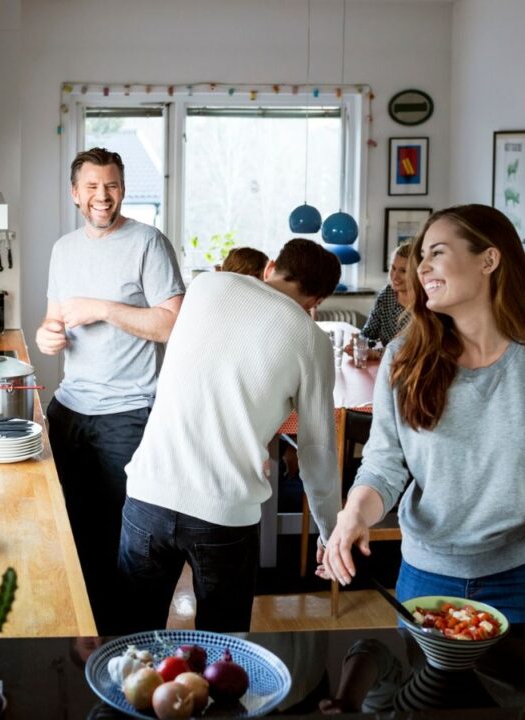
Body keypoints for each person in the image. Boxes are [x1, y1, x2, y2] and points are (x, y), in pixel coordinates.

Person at [318, 204, 525, 625]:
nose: (421, 268)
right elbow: (383, 467)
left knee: (518, 693)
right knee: (424, 692)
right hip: (427, 577)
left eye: (437, 253)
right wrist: (353, 515)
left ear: (489, 259)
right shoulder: (403, 358)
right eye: (421, 258)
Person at [118, 238, 343, 632]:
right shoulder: (312, 339)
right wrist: (329, 529)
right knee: (223, 649)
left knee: (131, 637)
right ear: (317, 299)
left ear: (271, 266)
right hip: (224, 512)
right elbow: (316, 451)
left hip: (148, 493)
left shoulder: (206, 285)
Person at [36, 147, 185, 635]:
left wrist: (103, 308)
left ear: (123, 188)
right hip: (70, 407)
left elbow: (172, 324)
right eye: (93, 187)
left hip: (128, 413)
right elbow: (53, 322)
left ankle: (128, 643)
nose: (104, 196)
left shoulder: (148, 243)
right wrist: (46, 336)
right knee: (72, 527)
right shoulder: (63, 249)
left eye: (112, 185)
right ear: (75, 193)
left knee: (126, 539)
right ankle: (85, 632)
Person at [361, 241, 413, 347]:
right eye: (393, 268)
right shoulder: (387, 294)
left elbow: (414, 350)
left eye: (403, 271)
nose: (394, 276)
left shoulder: (428, 304)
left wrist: (377, 352)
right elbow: (369, 333)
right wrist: (361, 344)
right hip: (384, 361)